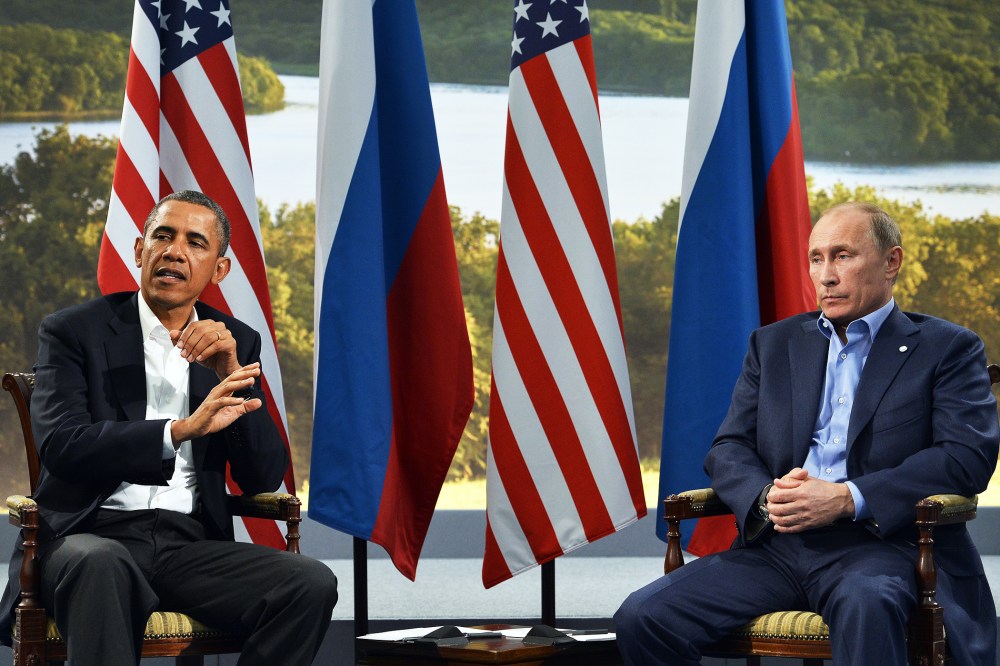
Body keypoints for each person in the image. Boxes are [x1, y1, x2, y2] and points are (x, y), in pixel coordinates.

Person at [615, 202, 999, 665]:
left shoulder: (947, 348)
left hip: (881, 547)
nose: (826, 275)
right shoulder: (773, 344)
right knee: (643, 615)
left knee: (868, 602)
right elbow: (729, 447)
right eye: (816, 258)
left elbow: (964, 458)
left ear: (891, 262)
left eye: (843, 256)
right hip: (776, 547)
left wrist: (845, 498)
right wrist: (767, 497)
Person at [0, 191, 338, 665]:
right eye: (163, 235)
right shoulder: (75, 331)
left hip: (188, 546)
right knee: (102, 562)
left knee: (309, 582)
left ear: (218, 269)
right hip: (89, 537)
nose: (175, 251)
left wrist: (231, 375)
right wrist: (175, 432)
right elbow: (62, 445)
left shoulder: (234, 339)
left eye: (196, 242)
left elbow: (264, 475)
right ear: (139, 250)